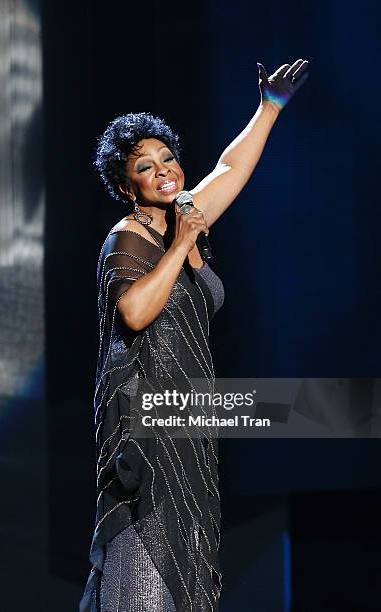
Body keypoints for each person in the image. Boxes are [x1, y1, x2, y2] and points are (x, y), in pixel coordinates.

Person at [80, 58, 309, 612]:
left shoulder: (185, 215)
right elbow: (134, 311)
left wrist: (268, 108)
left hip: (190, 416)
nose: (164, 171)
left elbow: (230, 169)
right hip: (149, 414)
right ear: (124, 184)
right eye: (144, 166)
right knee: (148, 559)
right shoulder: (128, 237)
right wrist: (182, 245)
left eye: (168, 158)